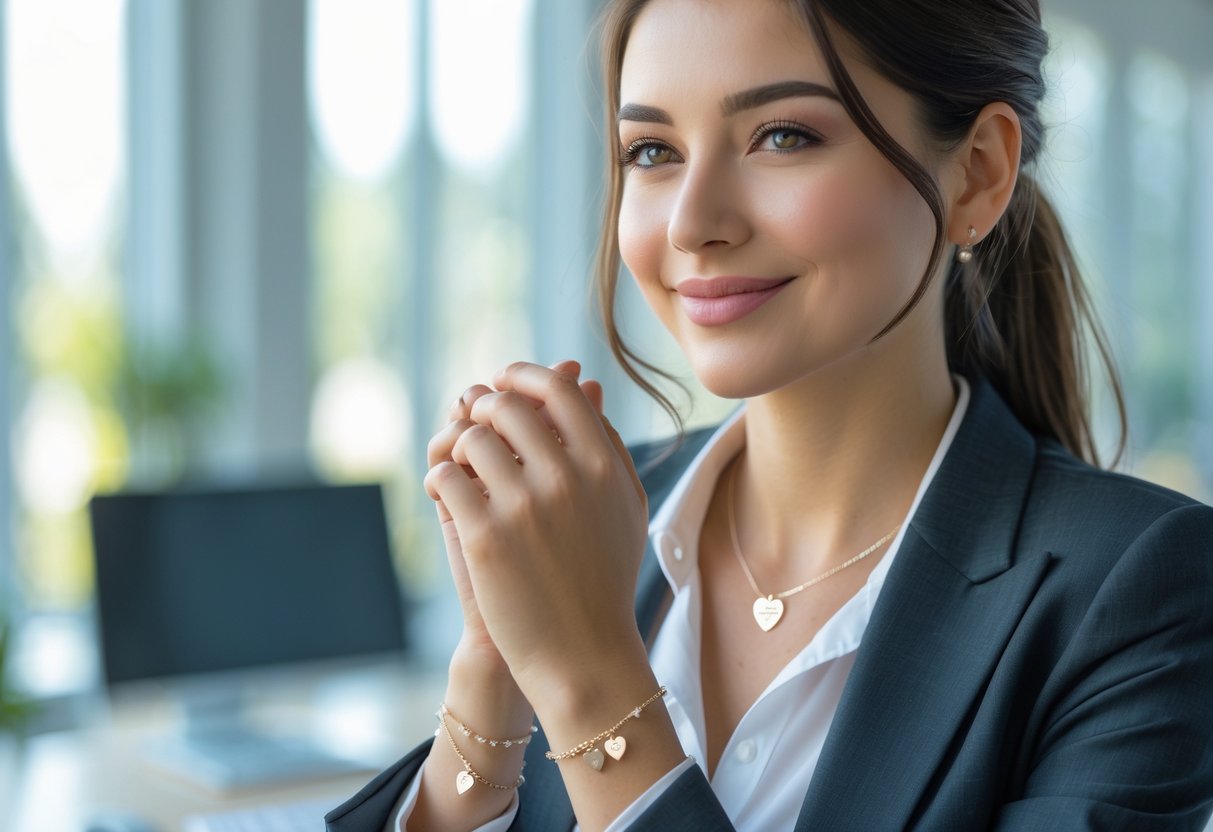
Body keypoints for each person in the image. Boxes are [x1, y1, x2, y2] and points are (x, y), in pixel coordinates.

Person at [327, 0, 1213, 829]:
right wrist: (492, 679)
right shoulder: (583, 521)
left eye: (781, 135)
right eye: (651, 151)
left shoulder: (1141, 590)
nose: (691, 222)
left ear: (976, 174)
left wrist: (588, 686)